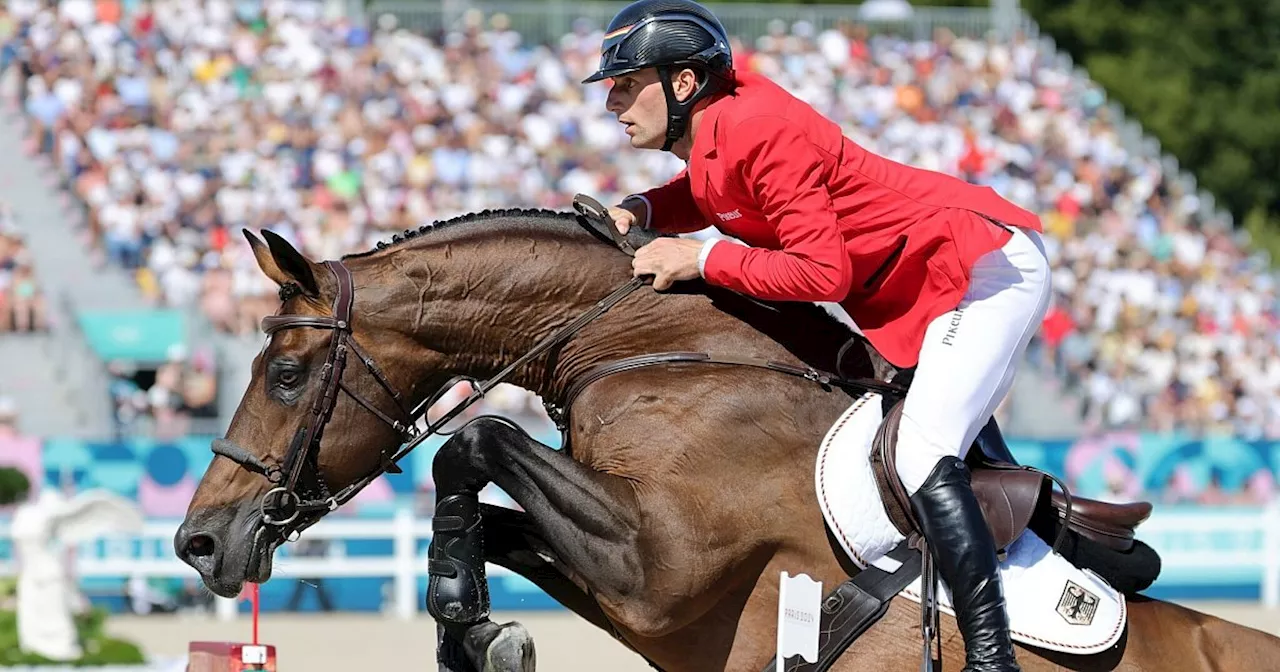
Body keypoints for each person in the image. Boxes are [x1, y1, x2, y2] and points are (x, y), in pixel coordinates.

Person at [584, 2, 1052, 670]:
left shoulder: (757, 126)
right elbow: (713, 195)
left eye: (626, 84)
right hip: (926, 284)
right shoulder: (722, 126)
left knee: (921, 454)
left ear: (683, 84)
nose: (613, 102)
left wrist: (702, 259)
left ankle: (990, 660)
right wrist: (646, 209)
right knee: (923, 441)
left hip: (982, 267)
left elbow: (822, 274)